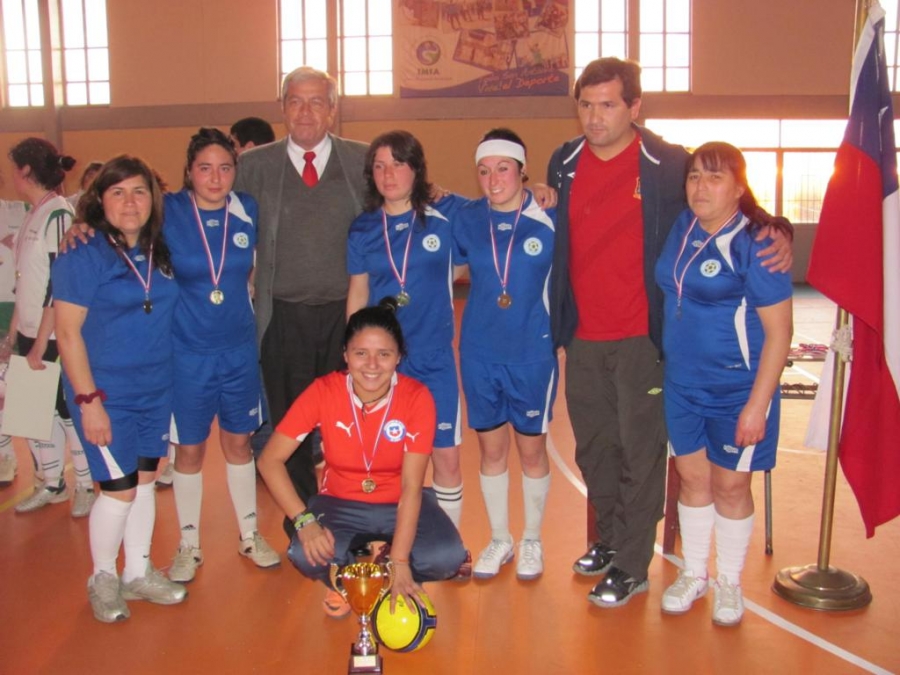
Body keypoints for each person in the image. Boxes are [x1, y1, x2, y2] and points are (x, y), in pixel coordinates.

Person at [547, 57, 793, 607]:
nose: (594, 116)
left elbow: (725, 202)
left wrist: (776, 228)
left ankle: (633, 565)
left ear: (635, 108)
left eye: (608, 104)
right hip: (583, 335)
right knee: (596, 450)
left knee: (640, 455)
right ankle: (610, 541)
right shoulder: (563, 161)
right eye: (585, 104)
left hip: (643, 338)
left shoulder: (667, 163)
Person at [257, 298, 466, 617]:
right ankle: (347, 578)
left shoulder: (417, 398)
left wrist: (400, 562)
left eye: (384, 354)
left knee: (447, 557)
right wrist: (304, 520)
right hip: (339, 502)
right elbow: (269, 460)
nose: (372, 365)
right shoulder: (323, 391)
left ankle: (388, 561)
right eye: (360, 353)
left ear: (398, 358)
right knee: (303, 551)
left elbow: (411, 486)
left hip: (399, 500)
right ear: (345, 355)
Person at [655, 142, 792, 626]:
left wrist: (758, 405)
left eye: (714, 178)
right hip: (681, 386)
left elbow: (781, 332)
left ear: (739, 187)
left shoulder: (757, 243)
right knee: (692, 481)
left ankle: (729, 582)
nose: (701, 187)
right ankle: (694, 573)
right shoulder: (683, 226)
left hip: (737, 391)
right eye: (694, 176)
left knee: (731, 487)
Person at [235, 66, 368, 538]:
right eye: (295, 101)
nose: (306, 111)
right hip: (283, 315)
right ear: (283, 109)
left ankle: (353, 513)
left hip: (346, 315)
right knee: (290, 425)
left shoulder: (363, 160)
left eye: (316, 101)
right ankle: (304, 521)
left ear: (333, 109)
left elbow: (413, 196)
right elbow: (199, 205)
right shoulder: (254, 167)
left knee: (349, 421)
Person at [53, 155, 187, 623]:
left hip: (156, 389)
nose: (130, 202)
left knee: (146, 483)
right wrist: (88, 403)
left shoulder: (157, 249)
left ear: (153, 198)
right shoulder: (82, 251)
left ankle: (138, 572)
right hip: (105, 394)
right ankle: (103, 577)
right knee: (119, 490)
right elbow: (67, 333)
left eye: (139, 191)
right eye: (117, 192)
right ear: (99, 200)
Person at [163, 128, 279, 582]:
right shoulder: (168, 210)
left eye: (225, 167)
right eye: (205, 168)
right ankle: (189, 545)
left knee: (239, 444)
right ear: (189, 171)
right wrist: (81, 224)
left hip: (237, 351)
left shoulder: (246, 210)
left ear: (236, 170)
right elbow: (113, 212)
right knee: (188, 451)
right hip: (187, 352)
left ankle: (249, 534)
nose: (215, 177)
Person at [346, 130, 467, 532]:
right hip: (384, 365)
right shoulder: (363, 228)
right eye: (379, 166)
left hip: (434, 360)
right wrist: (353, 357)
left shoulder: (445, 217)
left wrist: (535, 190)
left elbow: (496, 212)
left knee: (445, 455)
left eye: (398, 163)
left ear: (416, 169)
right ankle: (393, 540)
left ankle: (450, 544)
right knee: (388, 458)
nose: (388, 174)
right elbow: (358, 292)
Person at [454, 129, 555, 581]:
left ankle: (532, 538)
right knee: (491, 451)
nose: (493, 179)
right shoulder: (467, 219)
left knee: (532, 451)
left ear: (522, 171)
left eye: (503, 169)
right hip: (478, 354)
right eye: (484, 170)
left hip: (531, 354)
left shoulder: (549, 217)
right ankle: (500, 538)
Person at [7, 138, 95, 517]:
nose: (10, 174)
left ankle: (87, 484)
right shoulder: (34, 211)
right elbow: (26, 278)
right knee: (30, 411)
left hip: (54, 333)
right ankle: (51, 482)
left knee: (63, 410)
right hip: (27, 331)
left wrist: (42, 338)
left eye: (14, 167)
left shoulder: (58, 213)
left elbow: (56, 282)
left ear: (26, 171)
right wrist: (15, 331)